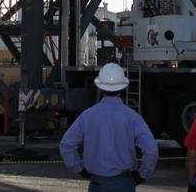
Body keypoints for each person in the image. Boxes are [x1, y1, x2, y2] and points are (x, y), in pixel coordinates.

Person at [61, 62, 159, 191]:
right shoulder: (132, 117)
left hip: (97, 183)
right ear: (123, 87)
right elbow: (151, 151)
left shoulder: (87, 116)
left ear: (100, 87)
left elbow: (66, 146)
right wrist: (142, 175)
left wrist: (80, 169)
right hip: (124, 183)